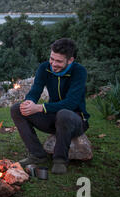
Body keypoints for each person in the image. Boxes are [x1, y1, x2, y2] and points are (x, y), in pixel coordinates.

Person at [10, 38, 90, 174]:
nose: (53, 64)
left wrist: (40, 107)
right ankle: (37, 155)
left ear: (70, 60)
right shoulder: (45, 67)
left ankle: (60, 160)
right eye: (52, 59)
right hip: (53, 119)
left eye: (59, 61)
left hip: (75, 121)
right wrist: (28, 102)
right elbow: (35, 91)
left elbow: (71, 103)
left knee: (64, 113)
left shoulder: (79, 71)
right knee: (17, 109)